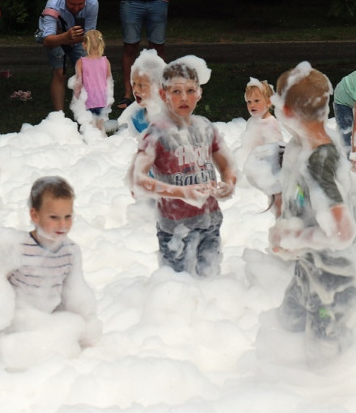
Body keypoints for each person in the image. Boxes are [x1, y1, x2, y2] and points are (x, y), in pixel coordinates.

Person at [269, 62, 356, 363]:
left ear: (289, 112)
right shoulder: (306, 147)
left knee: (326, 361)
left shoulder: (318, 163)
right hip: (308, 272)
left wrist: (296, 237)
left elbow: (342, 233)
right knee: (286, 328)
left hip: (334, 282)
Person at [130, 56, 236, 277]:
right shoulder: (156, 132)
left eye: (190, 90)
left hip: (210, 222)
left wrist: (228, 183)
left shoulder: (205, 127)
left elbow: (226, 164)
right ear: (163, 94)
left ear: (199, 93)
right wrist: (181, 192)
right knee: (179, 288)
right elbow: (138, 179)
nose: (184, 97)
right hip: (175, 229)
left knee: (210, 281)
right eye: (176, 91)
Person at [5, 176, 100, 342]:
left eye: (68, 216)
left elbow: (72, 293)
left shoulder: (70, 251)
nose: (62, 224)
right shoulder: (18, 247)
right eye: (54, 217)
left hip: (48, 322)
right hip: (17, 323)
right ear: (35, 215)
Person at [36, 0, 99, 113]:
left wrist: (74, 38)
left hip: (77, 36)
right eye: (72, 4)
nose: (76, 8)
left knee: (86, 71)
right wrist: (65, 37)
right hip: (55, 38)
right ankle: (59, 117)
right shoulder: (52, 7)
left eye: (80, 4)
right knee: (60, 73)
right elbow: (47, 41)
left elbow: (90, 34)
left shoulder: (93, 2)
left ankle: (86, 113)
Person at [239, 78, 285, 213]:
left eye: (257, 101)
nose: (252, 105)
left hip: (265, 172)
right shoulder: (253, 121)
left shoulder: (271, 123)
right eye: (249, 102)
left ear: (269, 102)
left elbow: (278, 150)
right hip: (253, 168)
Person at [70, 29, 112, 132]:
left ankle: (89, 144)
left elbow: (78, 82)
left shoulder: (81, 62)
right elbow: (109, 81)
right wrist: (110, 98)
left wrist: (76, 98)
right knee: (100, 127)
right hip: (102, 100)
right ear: (101, 44)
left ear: (84, 44)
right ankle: (103, 144)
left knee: (88, 128)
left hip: (87, 101)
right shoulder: (105, 61)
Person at [117, 48, 166, 134]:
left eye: (141, 85)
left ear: (158, 87)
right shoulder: (135, 114)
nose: (135, 89)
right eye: (134, 83)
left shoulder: (169, 117)